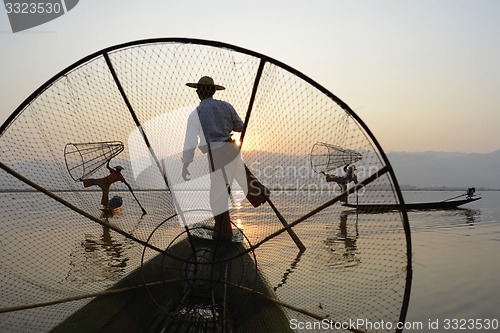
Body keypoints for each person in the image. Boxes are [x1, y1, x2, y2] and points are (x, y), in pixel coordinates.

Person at [182, 76, 269, 240]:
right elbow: (240, 127)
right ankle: (261, 195)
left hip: (215, 155)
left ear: (199, 93)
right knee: (247, 180)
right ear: (213, 91)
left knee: (217, 197)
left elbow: (190, 141)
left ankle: (223, 235)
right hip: (230, 149)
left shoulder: (196, 113)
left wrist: (186, 163)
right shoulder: (225, 106)